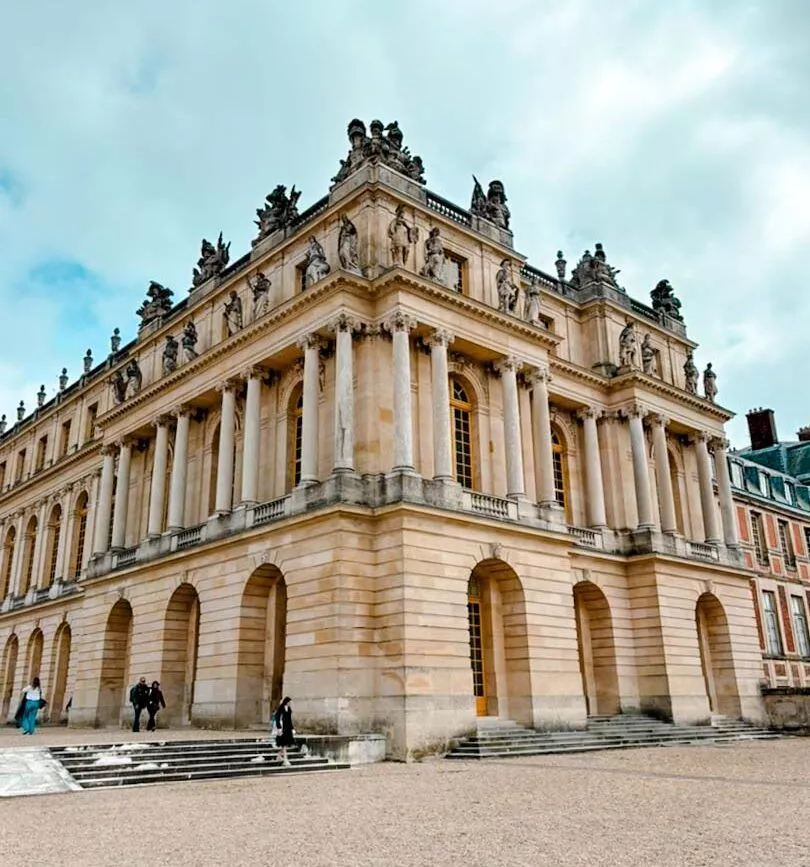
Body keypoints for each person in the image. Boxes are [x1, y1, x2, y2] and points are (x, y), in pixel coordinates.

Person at [272, 696, 295, 766]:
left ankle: (279, 756)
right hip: (282, 728)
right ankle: (285, 759)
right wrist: (279, 727)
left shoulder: (289, 709)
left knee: (285, 744)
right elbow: (277, 717)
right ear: (286, 702)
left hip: (287, 728)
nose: (290, 703)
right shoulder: (281, 708)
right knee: (284, 744)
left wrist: (292, 728)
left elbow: (289, 720)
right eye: (289, 702)